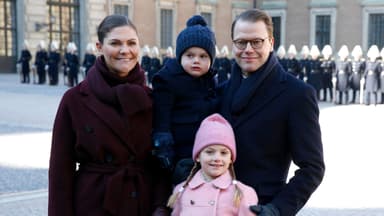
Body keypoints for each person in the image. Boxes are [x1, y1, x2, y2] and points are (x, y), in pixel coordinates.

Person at [48, 15, 170, 216]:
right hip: (93, 204)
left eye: (132, 43)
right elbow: (60, 171)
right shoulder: (75, 99)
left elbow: (161, 162)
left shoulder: (153, 98)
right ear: (99, 46)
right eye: (115, 43)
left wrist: (161, 206)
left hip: (142, 203)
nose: (125, 50)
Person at [220, 9, 325, 216]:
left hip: (261, 208)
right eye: (241, 42)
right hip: (218, 207)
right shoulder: (220, 90)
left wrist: (278, 209)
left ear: (271, 42)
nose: (248, 49)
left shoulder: (297, 94)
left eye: (256, 42)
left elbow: (312, 168)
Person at [152, 15, 218, 185]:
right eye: (190, 55)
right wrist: (164, 152)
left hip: (206, 153)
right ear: (180, 56)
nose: (196, 60)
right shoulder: (168, 79)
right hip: (179, 153)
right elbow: (162, 121)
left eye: (203, 56)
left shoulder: (210, 80)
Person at [167, 113, 258, 216]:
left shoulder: (243, 193)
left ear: (231, 159)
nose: (217, 158)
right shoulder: (181, 191)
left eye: (223, 153)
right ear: (197, 156)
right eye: (209, 152)